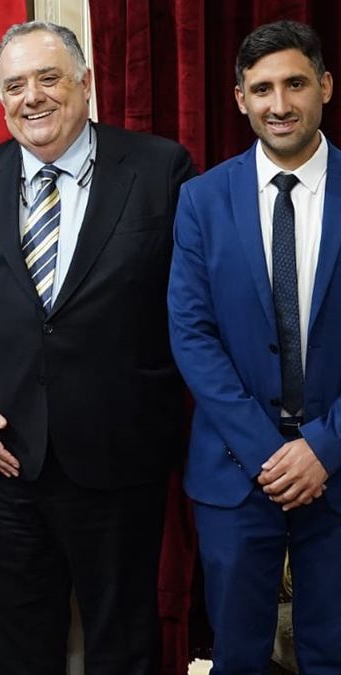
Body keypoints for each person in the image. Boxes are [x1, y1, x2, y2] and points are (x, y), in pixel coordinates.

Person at [0, 21, 196, 675]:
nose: (32, 97)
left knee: (123, 637)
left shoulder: (161, 168)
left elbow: (193, 306)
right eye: (14, 85)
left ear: (87, 84)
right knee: (20, 640)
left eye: (48, 78)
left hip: (119, 453)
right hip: (6, 457)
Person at [168, 19, 341, 673]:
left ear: (324, 85)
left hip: (340, 467)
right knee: (237, 656)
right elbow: (191, 333)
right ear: (239, 97)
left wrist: (323, 447)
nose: (280, 104)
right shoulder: (201, 200)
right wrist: (274, 454)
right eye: (262, 88)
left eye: (295, 83)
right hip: (238, 476)